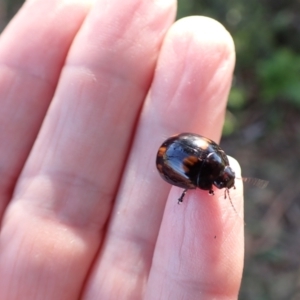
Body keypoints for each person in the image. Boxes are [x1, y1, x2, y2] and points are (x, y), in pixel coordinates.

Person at [0, 0, 244, 299]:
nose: (221, 181)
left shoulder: (209, 164)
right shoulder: (205, 172)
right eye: (222, 180)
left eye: (222, 180)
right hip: (172, 153)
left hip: (173, 152)